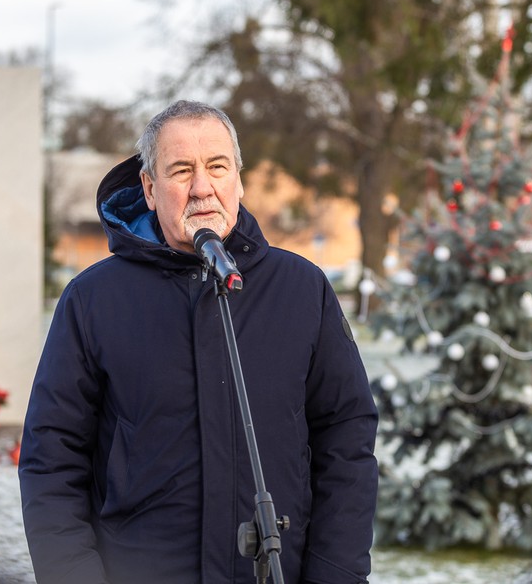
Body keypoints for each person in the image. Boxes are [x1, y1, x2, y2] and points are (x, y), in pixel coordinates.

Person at [19, 100, 379, 583]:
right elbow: (52, 457)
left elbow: (346, 441)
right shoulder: (94, 300)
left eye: (217, 166)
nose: (202, 187)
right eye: (181, 170)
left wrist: (334, 575)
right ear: (149, 188)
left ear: (240, 180)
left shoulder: (302, 290)